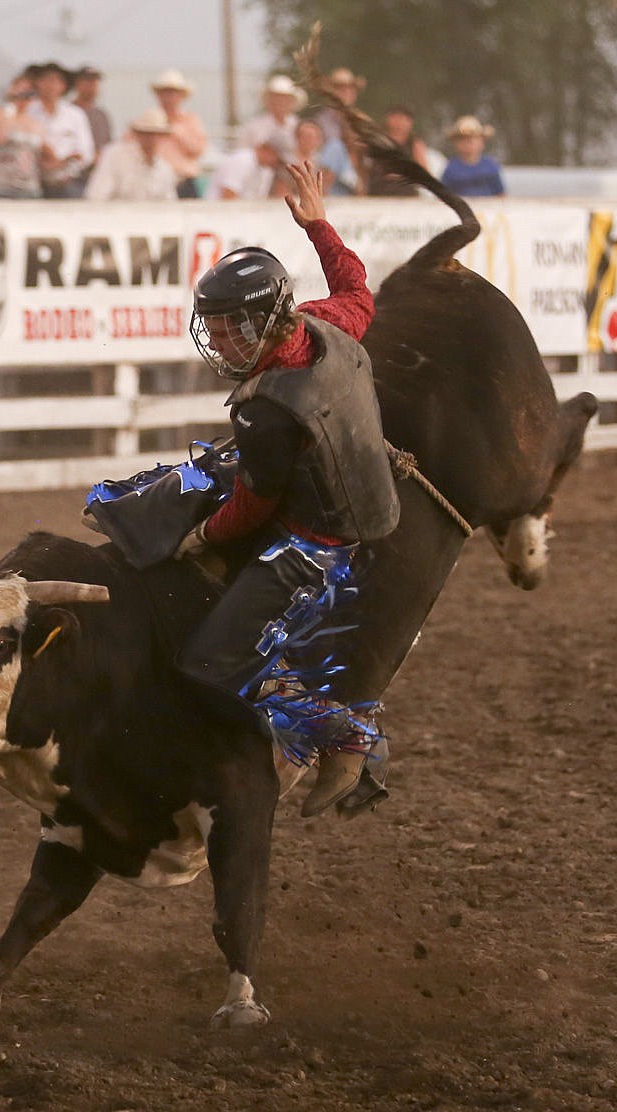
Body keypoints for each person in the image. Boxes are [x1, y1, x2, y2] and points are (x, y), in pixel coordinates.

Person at [176, 161, 400, 817]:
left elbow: (252, 508)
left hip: (312, 546)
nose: (215, 340)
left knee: (208, 662)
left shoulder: (265, 406)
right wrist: (319, 226)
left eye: (224, 328)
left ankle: (340, 728)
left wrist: (202, 535)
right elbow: (358, 288)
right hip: (366, 504)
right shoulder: (323, 324)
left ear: (252, 324)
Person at [27, 61, 95, 198]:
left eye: (56, 80)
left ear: (64, 86)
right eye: (46, 80)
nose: (51, 85)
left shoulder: (75, 114)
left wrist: (61, 162)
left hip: (68, 182)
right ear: (37, 83)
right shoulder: (28, 112)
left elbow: (86, 153)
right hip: (34, 183)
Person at [85, 108, 177, 201]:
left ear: (163, 137)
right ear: (137, 134)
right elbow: (97, 194)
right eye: (145, 133)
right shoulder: (115, 155)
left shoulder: (165, 169)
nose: (150, 139)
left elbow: (169, 204)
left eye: (155, 134)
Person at [0, 74, 46, 198]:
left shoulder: (35, 122)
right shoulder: (0, 115)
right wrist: (12, 105)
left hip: (28, 185)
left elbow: (40, 149)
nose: (23, 98)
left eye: (29, 93)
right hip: (0, 184)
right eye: (20, 92)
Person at [150, 69, 208, 198]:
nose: (168, 98)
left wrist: (175, 130)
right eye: (164, 93)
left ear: (181, 96)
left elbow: (199, 149)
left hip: (184, 181)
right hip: (156, 182)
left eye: (172, 93)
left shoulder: (192, 120)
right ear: (158, 95)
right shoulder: (148, 122)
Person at [366, 105, 430, 197]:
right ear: (387, 118)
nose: (399, 122)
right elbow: (364, 169)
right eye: (395, 117)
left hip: (406, 194)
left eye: (404, 118)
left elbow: (425, 174)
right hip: (378, 193)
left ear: (410, 122)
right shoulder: (375, 141)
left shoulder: (415, 145)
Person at [238, 74, 306, 161]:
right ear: (268, 100)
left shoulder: (298, 125)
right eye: (276, 98)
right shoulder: (254, 126)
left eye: (285, 98)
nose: (280, 102)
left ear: (292, 102)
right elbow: (242, 154)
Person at [440, 115, 506, 197]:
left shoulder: (490, 165)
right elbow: (444, 196)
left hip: (489, 207)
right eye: (462, 139)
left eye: (473, 139)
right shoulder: (451, 168)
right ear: (455, 143)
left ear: (482, 142)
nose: (468, 143)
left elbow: (501, 194)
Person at [204, 137, 288, 200]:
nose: (278, 164)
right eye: (278, 159)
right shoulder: (242, 160)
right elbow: (228, 196)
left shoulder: (266, 170)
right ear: (268, 150)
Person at [270, 118, 325, 197]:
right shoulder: (286, 161)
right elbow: (281, 192)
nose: (310, 141)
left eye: (314, 138)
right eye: (307, 137)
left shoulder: (319, 161)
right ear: (297, 137)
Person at [314, 66, 365, 144]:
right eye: (341, 88)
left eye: (351, 88)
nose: (347, 92)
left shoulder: (362, 120)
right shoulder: (320, 122)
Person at [72, 65, 113, 159]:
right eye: (88, 81)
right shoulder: (67, 112)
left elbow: (107, 144)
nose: (92, 86)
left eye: (95, 82)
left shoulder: (101, 115)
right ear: (77, 84)